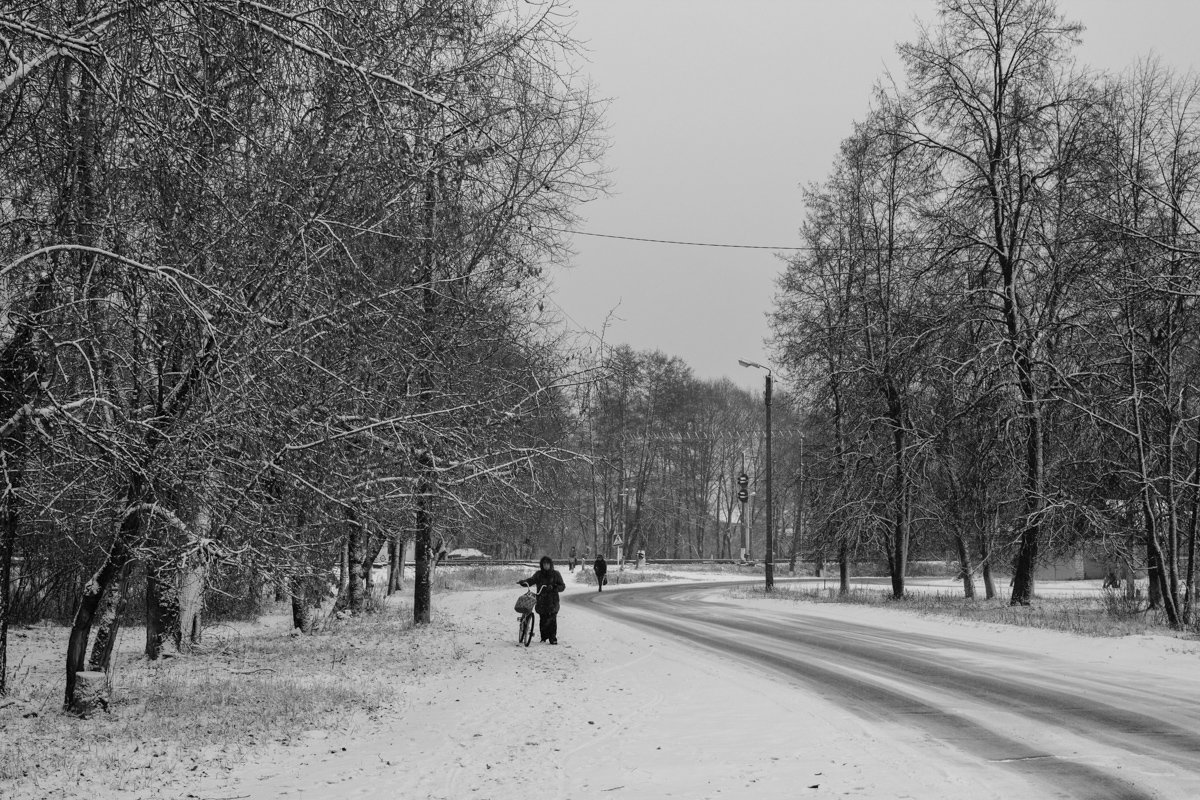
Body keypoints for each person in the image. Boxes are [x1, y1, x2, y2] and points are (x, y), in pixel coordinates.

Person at [517, 556, 566, 644]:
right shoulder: (539, 574)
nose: (546, 566)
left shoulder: (556, 574)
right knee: (543, 619)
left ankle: (552, 638)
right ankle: (543, 637)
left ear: (550, 564)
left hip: (552, 600)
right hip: (541, 599)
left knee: (552, 619)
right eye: (544, 564)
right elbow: (531, 580)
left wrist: (554, 587)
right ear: (541, 565)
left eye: (547, 564)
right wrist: (524, 582)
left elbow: (562, 586)